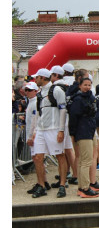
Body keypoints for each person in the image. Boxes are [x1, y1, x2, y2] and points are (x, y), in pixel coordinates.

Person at [27, 68, 68, 198]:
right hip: (41, 129)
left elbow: (63, 109)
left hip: (54, 128)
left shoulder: (56, 90)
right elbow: (38, 114)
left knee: (60, 156)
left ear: (43, 78)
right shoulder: (40, 93)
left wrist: (61, 130)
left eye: (37, 77)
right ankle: (41, 185)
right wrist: (33, 132)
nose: (35, 79)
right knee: (38, 158)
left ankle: (62, 185)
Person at [68, 77, 99, 197]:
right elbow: (73, 117)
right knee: (85, 160)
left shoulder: (90, 98)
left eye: (89, 85)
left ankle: (82, 187)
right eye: (85, 85)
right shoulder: (78, 100)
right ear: (80, 86)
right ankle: (85, 187)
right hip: (83, 131)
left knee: (84, 160)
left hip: (89, 130)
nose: (87, 87)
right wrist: (73, 134)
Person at [50, 65, 77, 186]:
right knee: (68, 149)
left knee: (63, 151)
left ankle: (66, 175)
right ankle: (71, 174)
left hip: (62, 121)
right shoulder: (70, 84)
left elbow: (61, 107)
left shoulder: (57, 87)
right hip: (69, 120)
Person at [24, 82, 52, 194]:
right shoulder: (30, 102)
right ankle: (43, 182)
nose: (27, 92)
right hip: (32, 134)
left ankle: (42, 183)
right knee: (36, 159)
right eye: (26, 90)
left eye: (30, 90)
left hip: (35, 135)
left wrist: (32, 136)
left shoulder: (36, 102)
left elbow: (36, 121)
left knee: (37, 159)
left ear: (36, 91)